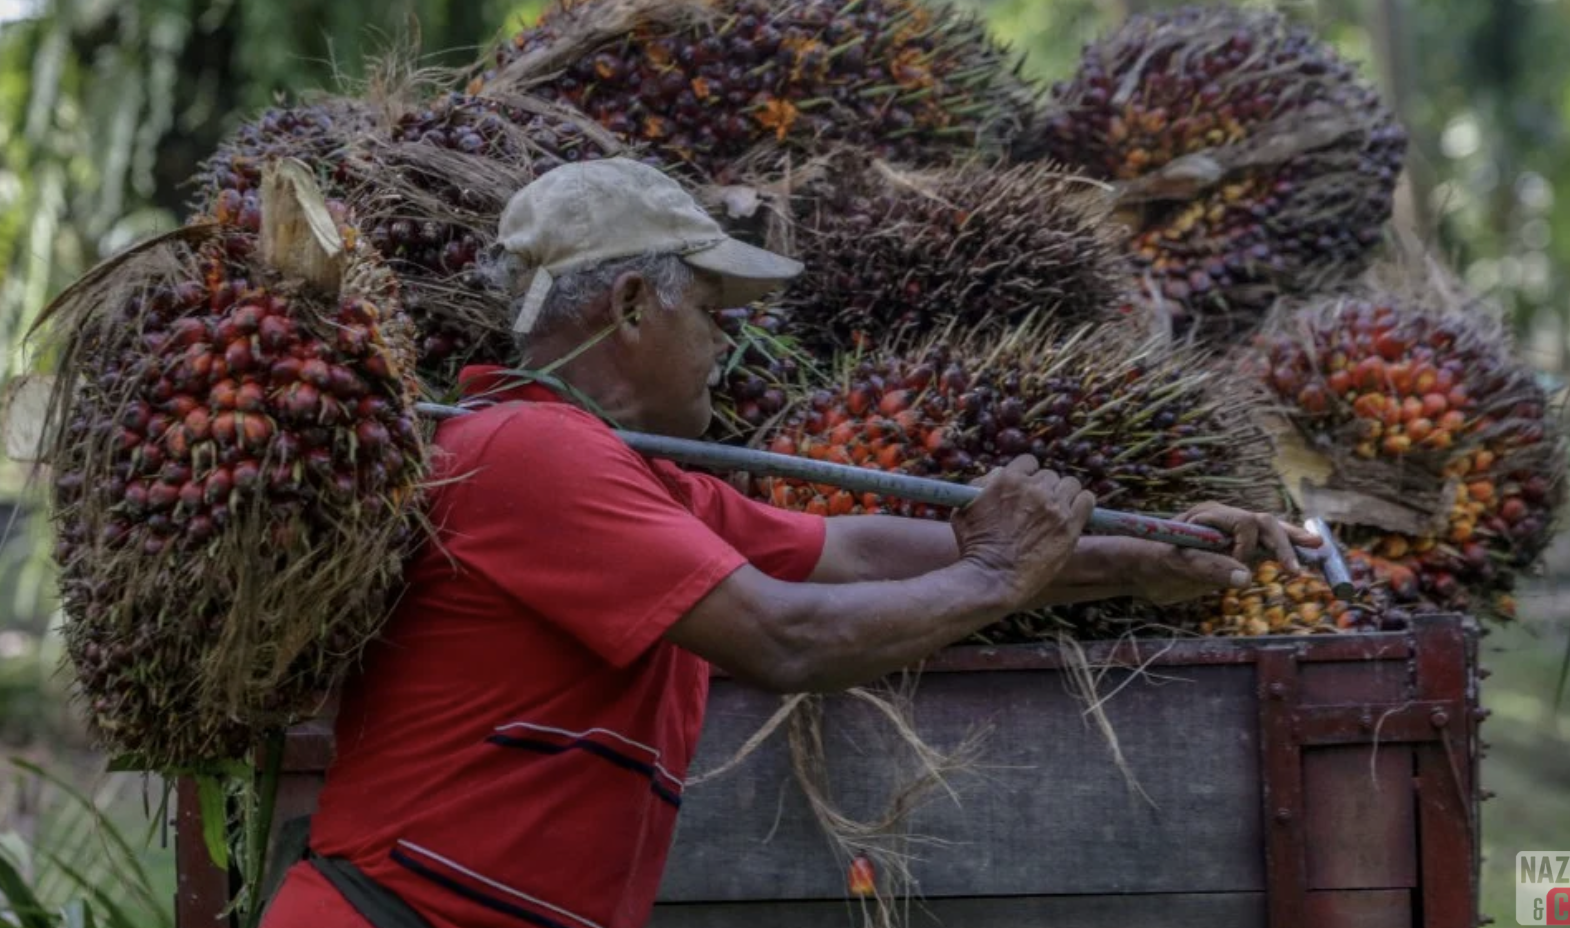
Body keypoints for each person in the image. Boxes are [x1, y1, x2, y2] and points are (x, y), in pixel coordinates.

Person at [261, 158, 1317, 928]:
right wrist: (998, 572)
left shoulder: (635, 482)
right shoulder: (529, 457)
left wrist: (1133, 553)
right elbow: (790, 638)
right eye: (713, 308)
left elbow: (848, 555)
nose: (728, 341)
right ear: (631, 304)